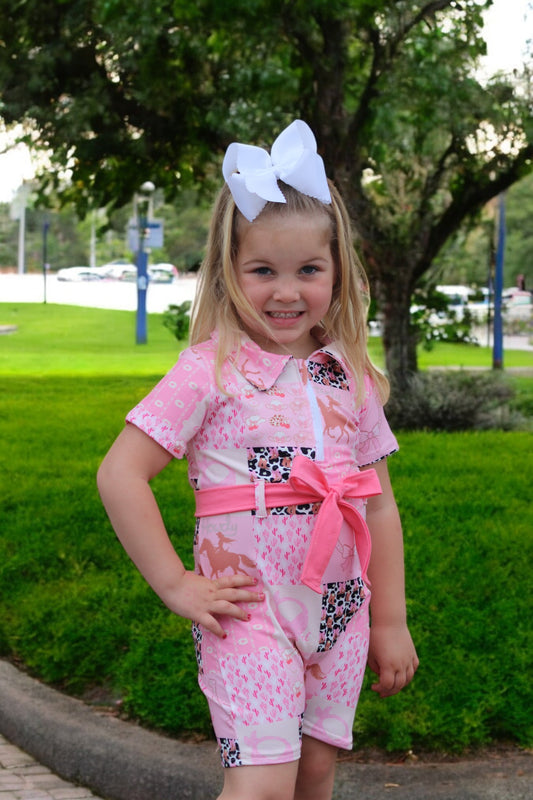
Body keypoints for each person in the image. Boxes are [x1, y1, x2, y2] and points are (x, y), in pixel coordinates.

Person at [97, 119, 418, 800]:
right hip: (249, 613)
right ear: (229, 272)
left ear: (337, 270)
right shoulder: (208, 370)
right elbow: (120, 474)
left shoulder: (350, 378)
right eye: (263, 270)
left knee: (313, 777)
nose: (286, 291)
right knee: (263, 786)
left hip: (339, 612)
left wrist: (389, 620)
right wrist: (174, 583)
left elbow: (379, 504)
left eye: (309, 270)